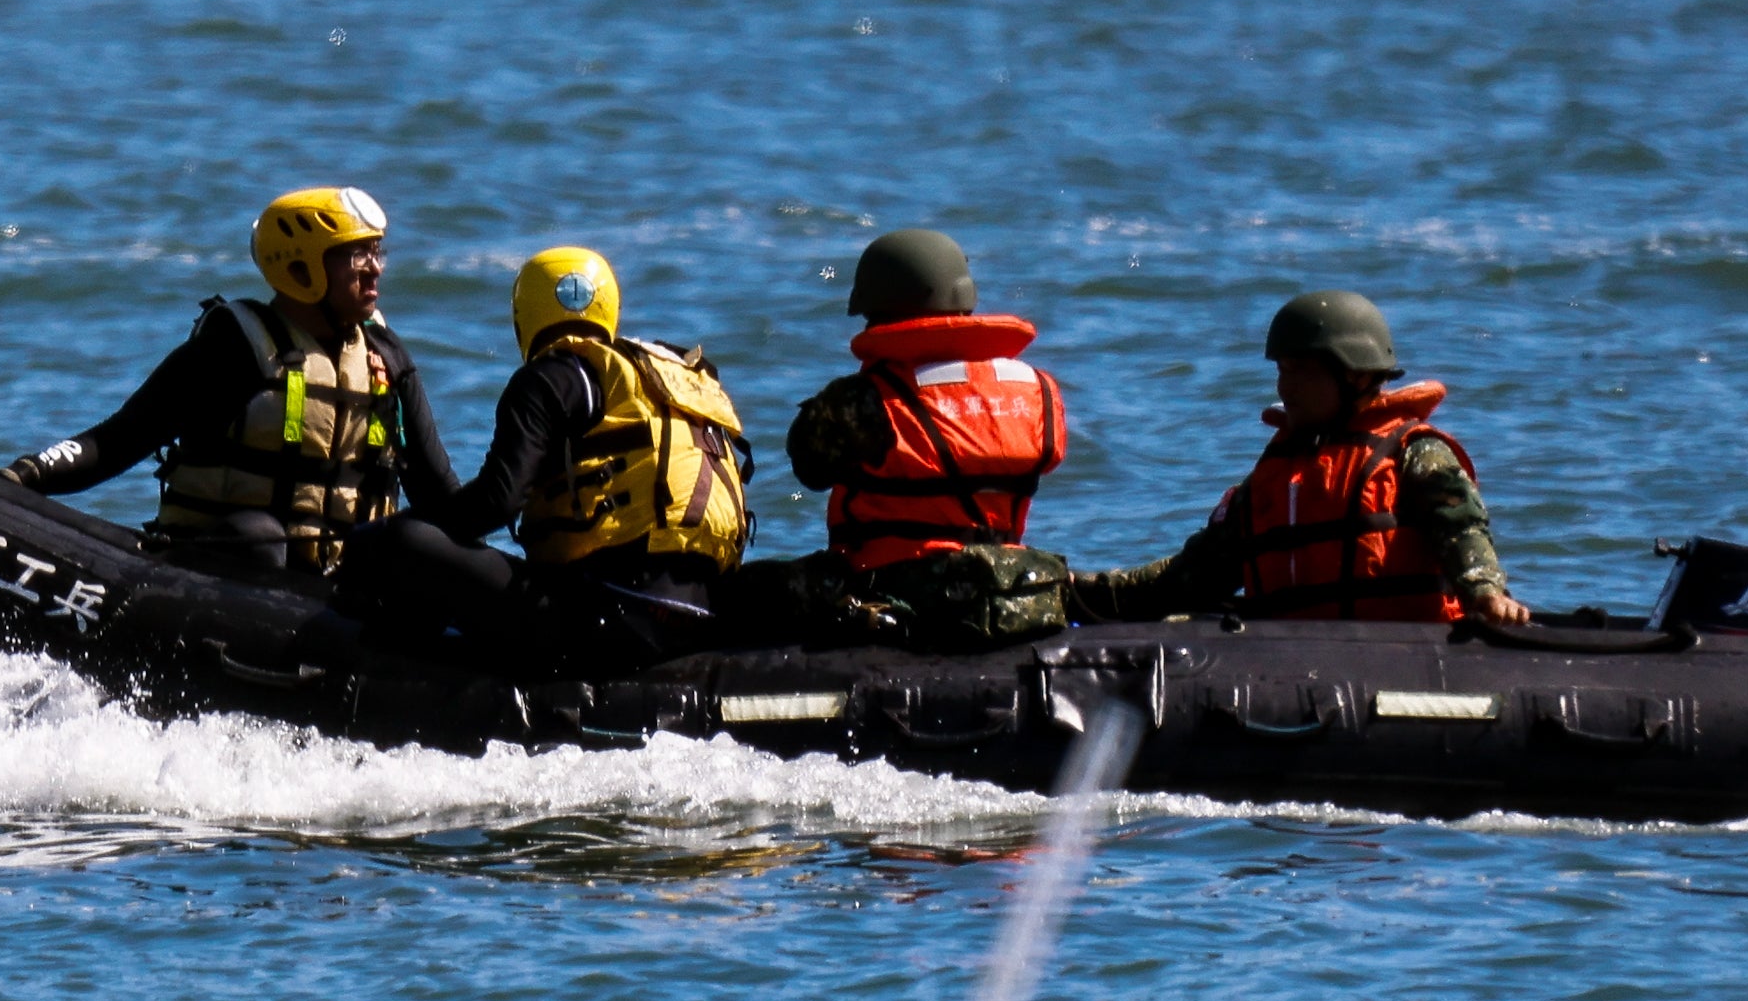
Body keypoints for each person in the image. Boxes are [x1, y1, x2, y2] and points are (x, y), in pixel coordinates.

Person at [0, 187, 460, 576]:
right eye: (357, 253)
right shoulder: (235, 346)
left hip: (337, 592)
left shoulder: (388, 359)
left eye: (377, 251)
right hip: (226, 568)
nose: (375, 267)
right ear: (301, 267)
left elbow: (441, 498)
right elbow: (120, 439)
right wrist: (23, 475)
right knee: (259, 538)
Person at [338, 245, 754, 676]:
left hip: (609, 619)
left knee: (400, 543)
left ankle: (372, 668)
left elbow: (496, 502)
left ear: (525, 316)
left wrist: (386, 536)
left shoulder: (550, 378)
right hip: (703, 616)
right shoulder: (668, 377)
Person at [1067, 291, 1528, 627]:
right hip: (1287, 663)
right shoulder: (1278, 475)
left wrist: (1486, 593)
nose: (1284, 388)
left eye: (1300, 372)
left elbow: (1462, 531)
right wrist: (1070, 589)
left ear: (1355, 375)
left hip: (1398, 656)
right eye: (1280, 371)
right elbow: (1191, 577)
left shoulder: (1416, 453)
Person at [721, 228, 1073, 654]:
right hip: (1002, 585)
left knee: (741, 590)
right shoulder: (1035, 389)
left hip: (892, 588)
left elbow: (808, 469)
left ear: (883, 310)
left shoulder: (863, 400)